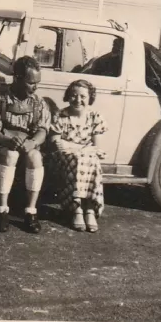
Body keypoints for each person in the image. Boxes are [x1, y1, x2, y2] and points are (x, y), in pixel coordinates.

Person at [0, 56, 51, 234]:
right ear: (18, 78)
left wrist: (33, 142)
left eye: (37, 83)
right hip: (4, 144)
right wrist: (5, 140)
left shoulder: (39, 103)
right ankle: (2, 211)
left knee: (35, 157)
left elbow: (43, 130)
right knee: (10, 155)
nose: (35, 87)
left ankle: (30, 211)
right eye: (31, 83)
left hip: (27, 145)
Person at [49, 79, 108, 233]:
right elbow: (57, 144)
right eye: (74, 95)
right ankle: (77, 209)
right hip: (63, 159)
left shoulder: (95, 117)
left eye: (83, 96)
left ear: (90, 98)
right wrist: (81, 148)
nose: (78, 100)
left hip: (87, 157)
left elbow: (96, 147)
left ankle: (89, 209)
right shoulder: (61, 116)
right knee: (79, 159)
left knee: (91, 160)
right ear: (68, 96)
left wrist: (71, 145)